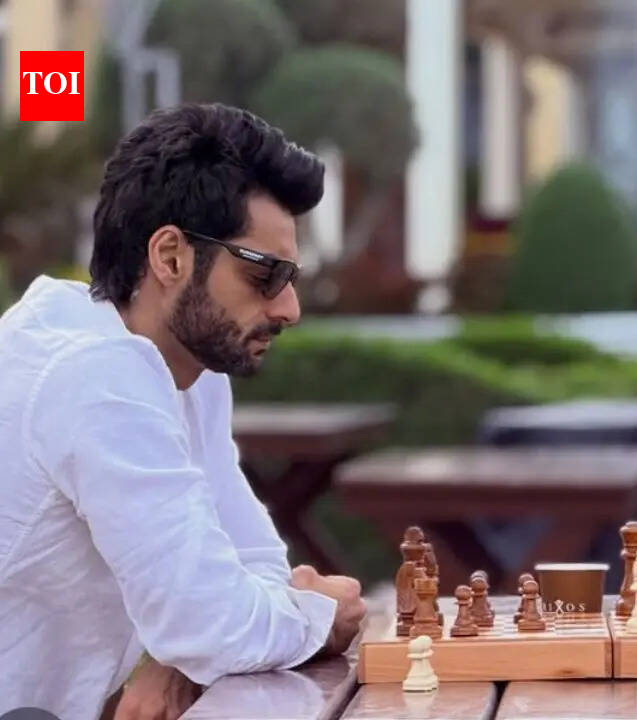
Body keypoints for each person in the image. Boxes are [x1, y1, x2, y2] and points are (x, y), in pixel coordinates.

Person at [0, 103, 366, 720]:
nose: (289, 308)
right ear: (170, 256)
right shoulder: (93, 374)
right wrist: (318, 616)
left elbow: (249, 567)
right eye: (266, 276)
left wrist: (175, 658)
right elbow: (215, 623)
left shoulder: (185, 372)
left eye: (292, 277)